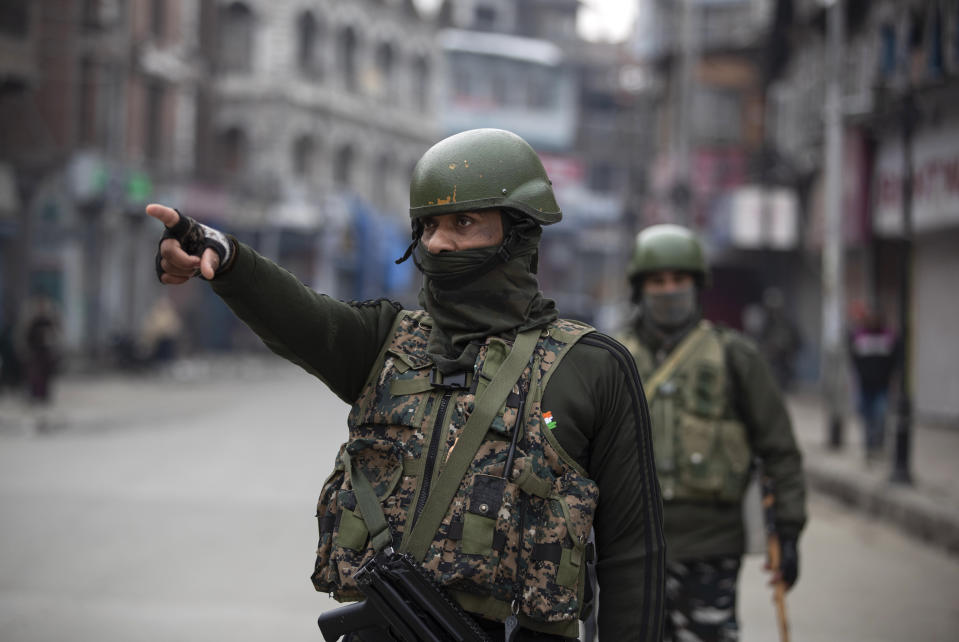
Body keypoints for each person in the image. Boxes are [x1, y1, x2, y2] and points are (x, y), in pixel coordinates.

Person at [149, 128, 665, 641]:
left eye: (464, 222)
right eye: (429, 225)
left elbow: (633, 553)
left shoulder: (593, 367)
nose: (439, 242)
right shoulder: (385, 342)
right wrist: (226, 258)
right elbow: (301, 317)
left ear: (520, 232)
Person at [616, 224, 806, 642]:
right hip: (626, 548)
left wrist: (788, 530)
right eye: (657, 281)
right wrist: (549, 419)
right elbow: (559, 426)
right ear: (639, 287)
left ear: (697, 285)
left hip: (710, 546)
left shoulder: (736, 356)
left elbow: (779, 449)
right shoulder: (609, 357)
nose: (669, 290)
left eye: (679, 279)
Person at [848, 307, 899, 463]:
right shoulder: (859, 336)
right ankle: (869, 446)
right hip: (865, 384)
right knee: (867, 416)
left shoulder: (888, 336)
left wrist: (889, 376)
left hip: (882, 384)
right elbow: (854, 358)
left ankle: (878, 445)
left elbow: (895, 358)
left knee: (880, 415)